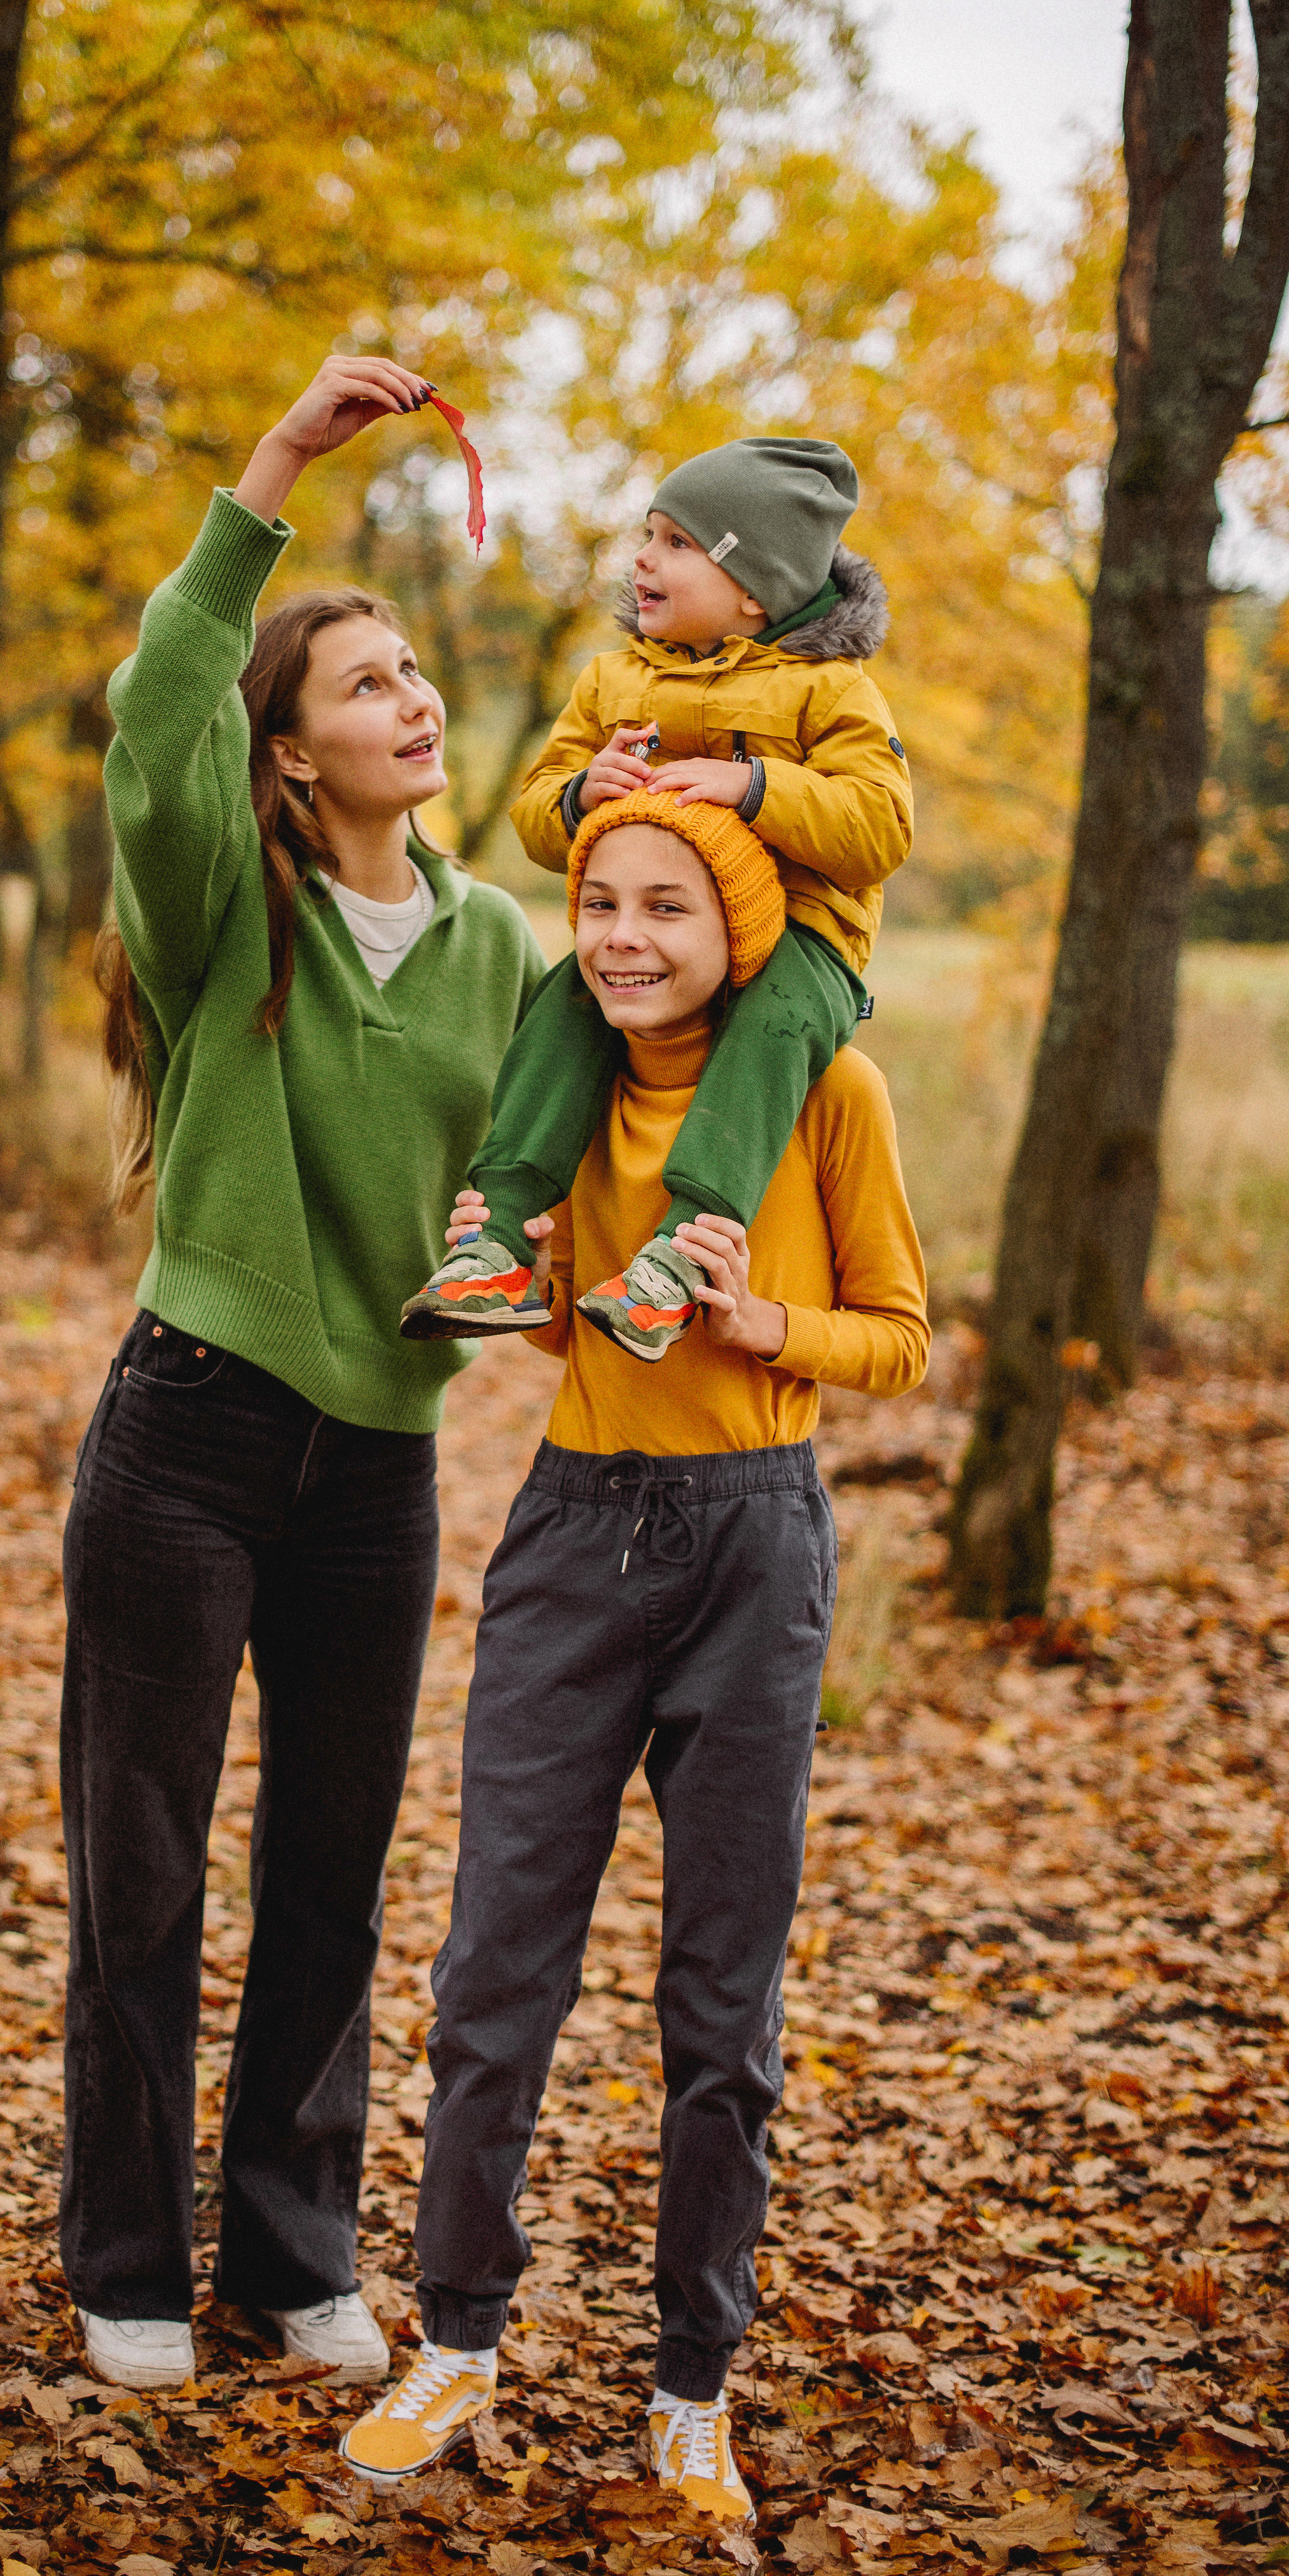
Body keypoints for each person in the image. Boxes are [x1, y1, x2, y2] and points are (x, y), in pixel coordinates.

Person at [344, 790, 928, 2516]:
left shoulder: (825, 1089)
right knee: (489, 1972)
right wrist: (527, 1285)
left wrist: (759, 1321)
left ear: (735, 929)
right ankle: (455, 2340)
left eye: (664, 906)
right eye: (597, 901)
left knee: (720, 2005)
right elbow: (557, 1335)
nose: (620, 936)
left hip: (755, 1545)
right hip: (574, 1537)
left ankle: (691, 2385)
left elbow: (899, 1338)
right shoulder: (562, 1086)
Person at [59, 356, 546, 2397]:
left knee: (333, 1874)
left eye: (415, 670)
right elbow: (155, 707)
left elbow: (529, 1184)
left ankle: (289, 2251)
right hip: (190, 1431)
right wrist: (274, 472)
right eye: (363, 683)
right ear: (284, 755)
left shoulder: (501, 946)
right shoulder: (217, 905)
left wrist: (528, 1266)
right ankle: (127, 2264)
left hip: (379, 1466)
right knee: (143, 1865)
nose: (411, 699)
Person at [401, 435, 914, 1363]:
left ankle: (681, 1253)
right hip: (653, 931)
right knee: (561, 1009)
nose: (642, 559)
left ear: (754, 585)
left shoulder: (829, 690)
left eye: (677, 542)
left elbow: (881, 826)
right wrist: (579, 794)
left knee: (772, 1030)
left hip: (804, 941)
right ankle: (501, 1236)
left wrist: (755, 787)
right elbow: (535, 815)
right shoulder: (614, 681)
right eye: (646, 535)